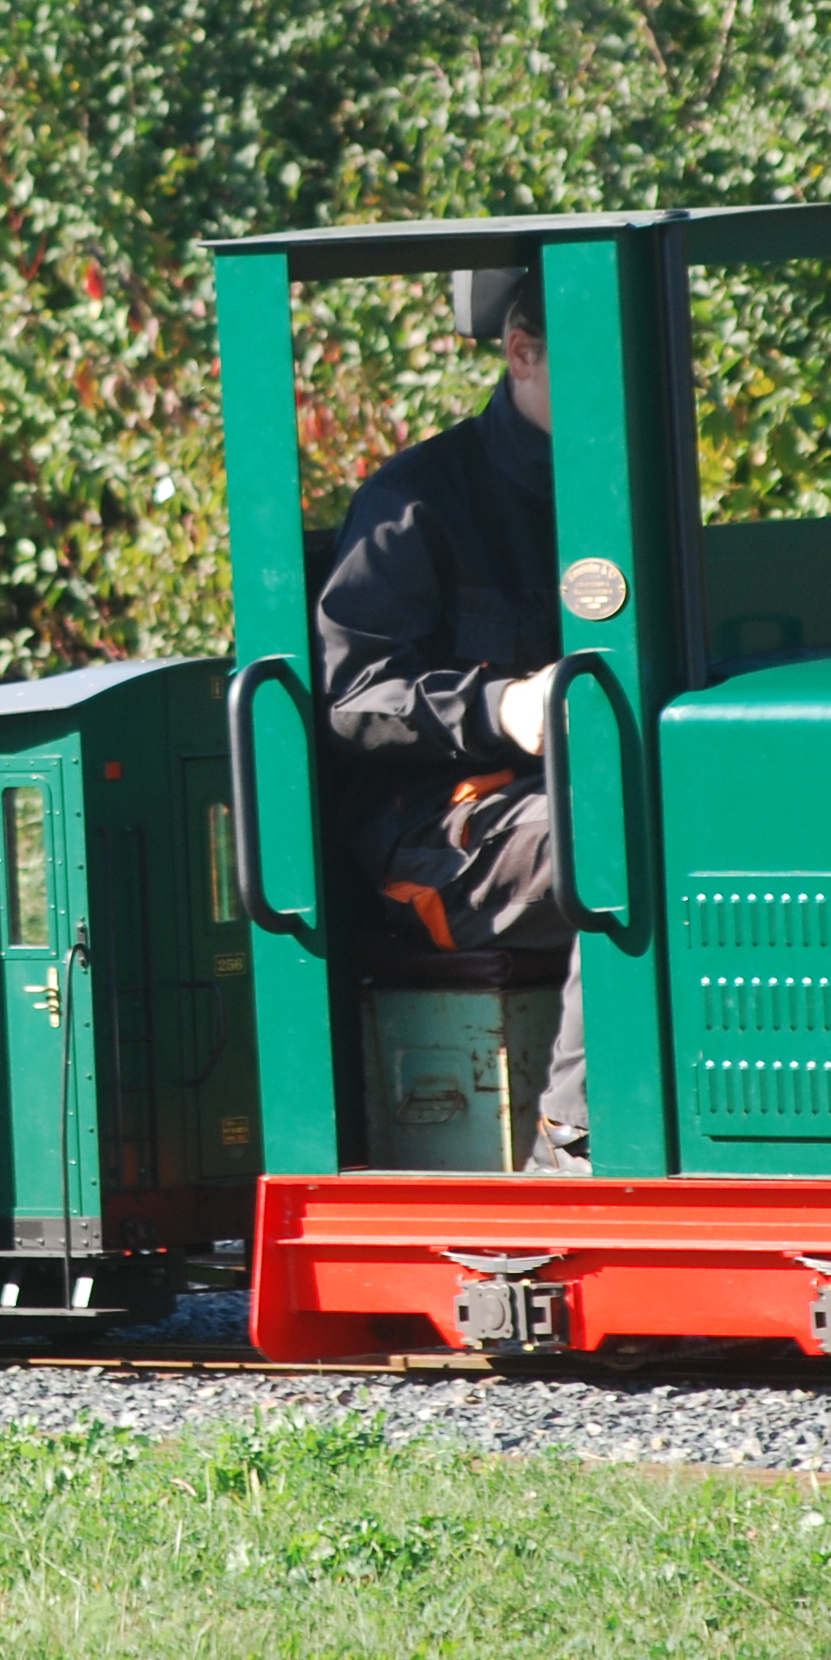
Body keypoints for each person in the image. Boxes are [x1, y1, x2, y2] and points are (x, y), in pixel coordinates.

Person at [313, 276, 592, 1173]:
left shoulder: (639, 496)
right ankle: (574, 1145)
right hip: (436, 836)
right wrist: (500, 706)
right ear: (522, 352)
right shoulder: (415, 502)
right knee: (619, 844)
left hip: (572, 797)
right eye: (595, 368)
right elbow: (351, 693)